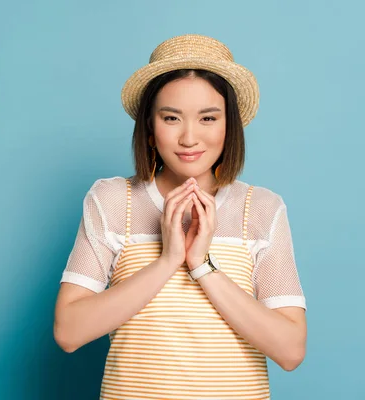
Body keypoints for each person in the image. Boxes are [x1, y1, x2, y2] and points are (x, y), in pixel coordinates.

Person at [53, 34, 307, 399]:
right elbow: (69, 332)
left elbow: (290, 350)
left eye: (208, 117)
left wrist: (202, 265)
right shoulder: (111, 200)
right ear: (150, 130)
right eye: (171, 118)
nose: (189, 137)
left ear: (228, 127)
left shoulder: (262, 209)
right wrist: (169, 259)